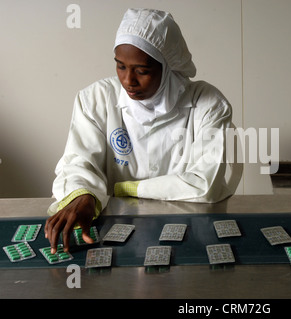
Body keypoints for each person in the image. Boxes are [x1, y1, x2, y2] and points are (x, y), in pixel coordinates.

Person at [45, 8, 241, 253]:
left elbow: (204, 184)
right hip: (116, 228)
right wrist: (83, 195)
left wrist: (124, 188)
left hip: (192, 230)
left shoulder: (208, 103)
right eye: (120, 67)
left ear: (168, 66)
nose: (128, 81)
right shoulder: (95, 99)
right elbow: (77, 162)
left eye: (142, 70)